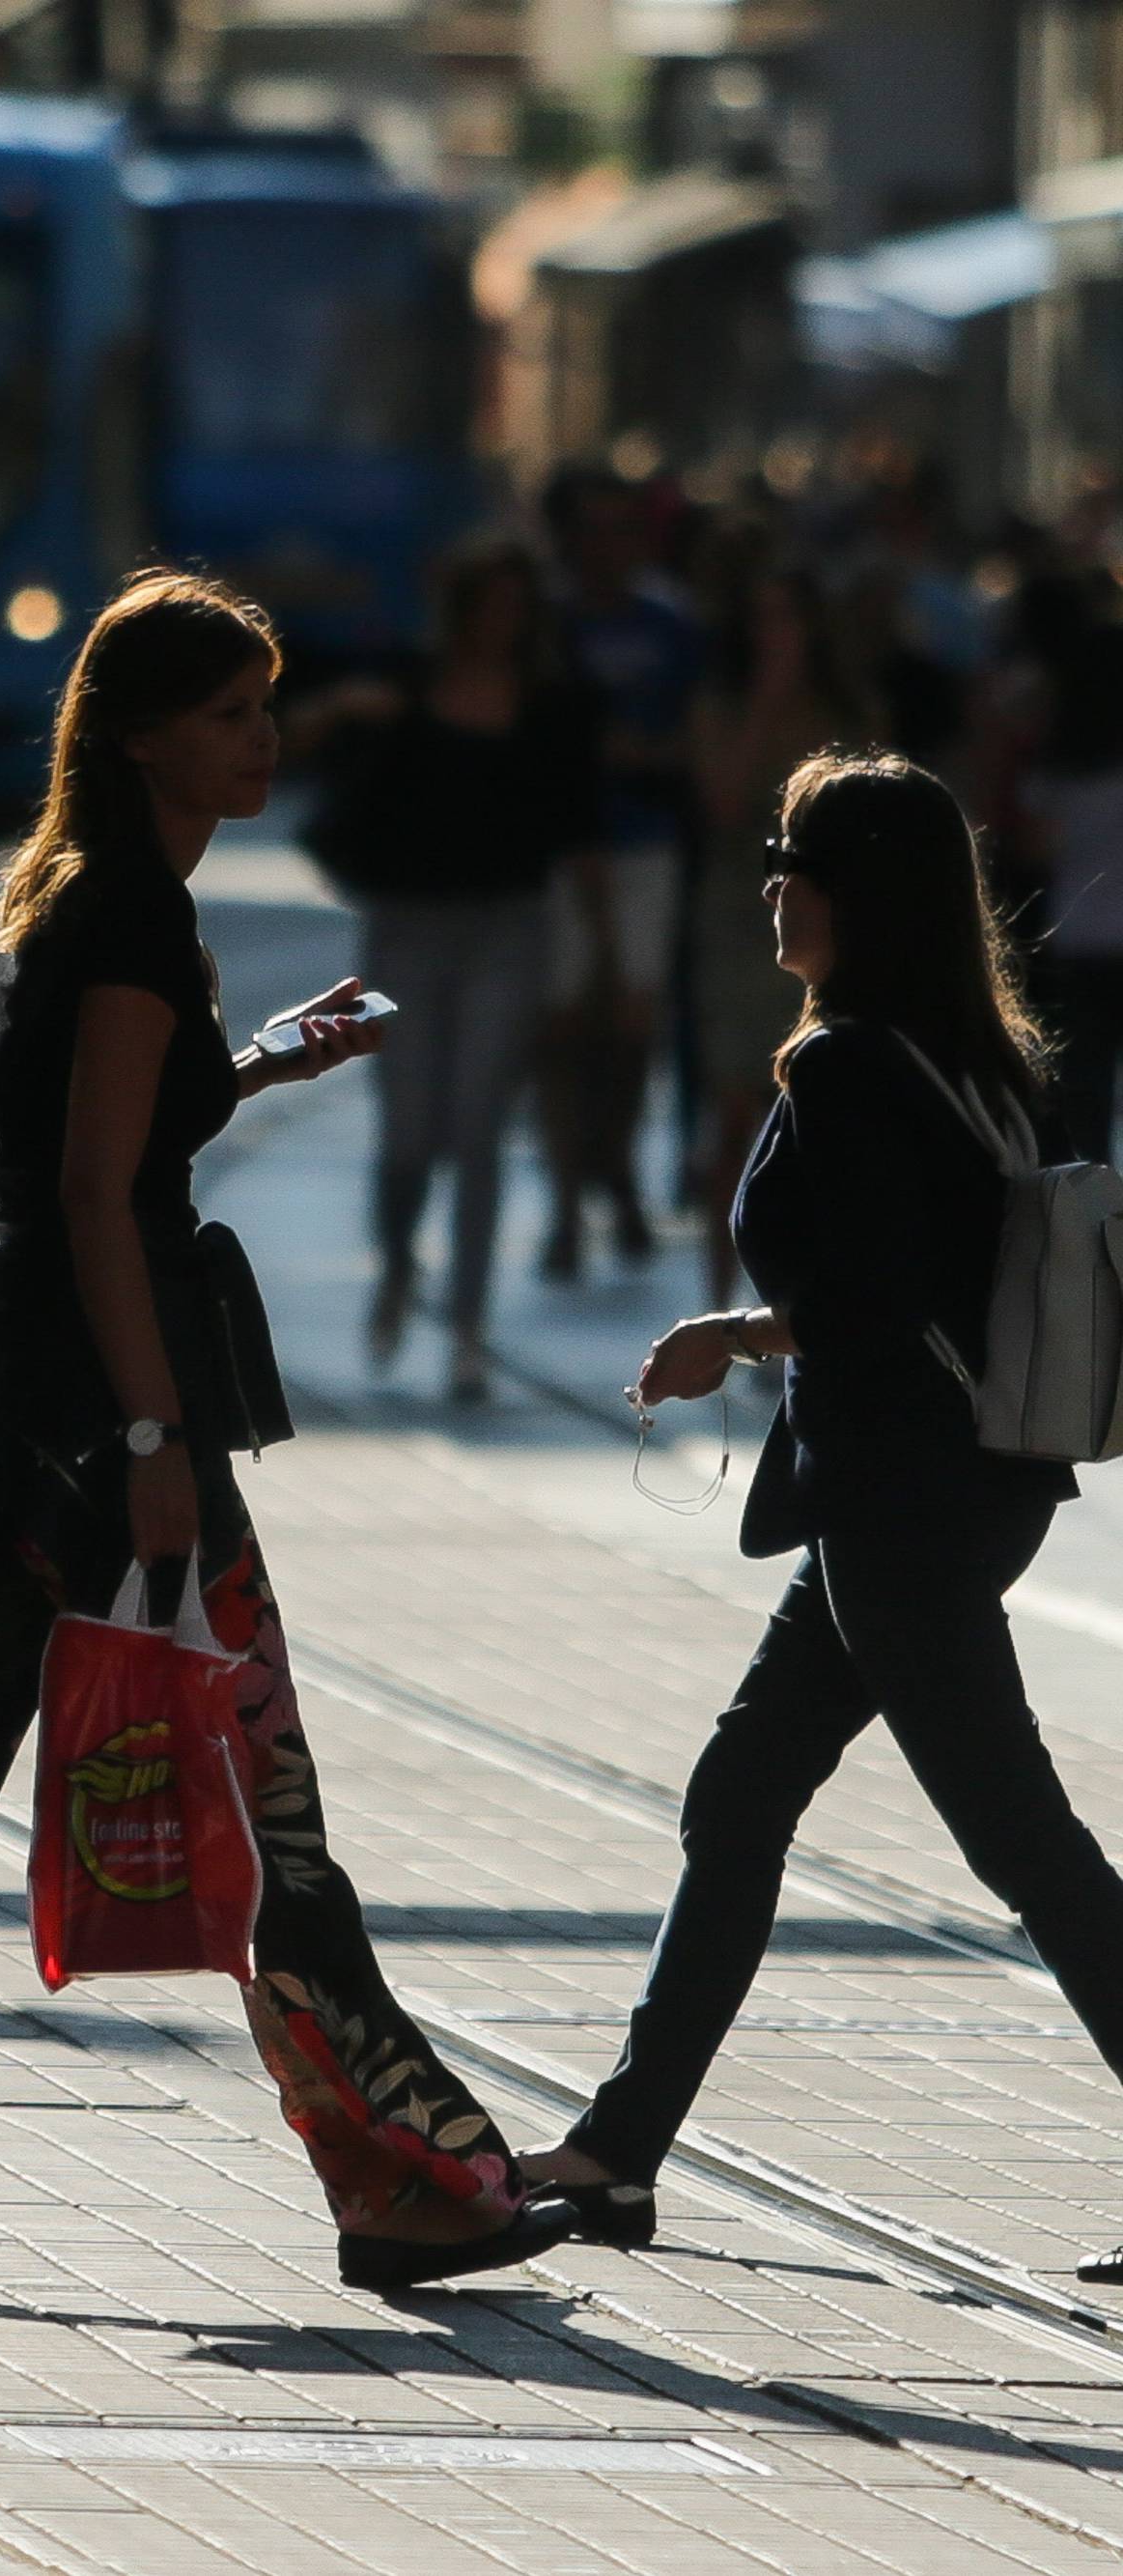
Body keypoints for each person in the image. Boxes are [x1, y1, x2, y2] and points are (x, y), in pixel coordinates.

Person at [0, 571, 577, 2292]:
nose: (263, 736)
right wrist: (152, 1430)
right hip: (103, 1429)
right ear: (142, 731)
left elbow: (122, 1133)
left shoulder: (87, 896)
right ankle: (411, 2183)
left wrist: (273, 1056)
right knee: (245, 1799)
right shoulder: (132, 916)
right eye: (228, 712)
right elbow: (87, 1192)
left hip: (26, 1423)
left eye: (267, 704)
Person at [519, 750, 1123, 2287]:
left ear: (860, 893)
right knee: (741, 1793)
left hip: (899, 1506)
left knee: (1028, 1845)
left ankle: (613, 2148)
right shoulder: (977, 1056)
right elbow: (915, 1285)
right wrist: (746, 1332)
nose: (770, 885)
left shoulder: (849, 1068)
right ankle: (617, 2151)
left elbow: (863, 1300)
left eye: (794, 860)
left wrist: (744, 1325)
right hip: (954, 1489)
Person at [294, 539, 606, 1402]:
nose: (503, 622)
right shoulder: (404, 679)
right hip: (406, 928)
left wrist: (604, 949)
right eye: (490, 604)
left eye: (517, 605)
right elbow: (304, 743)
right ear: (465, 610)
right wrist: (347, 710)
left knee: (478, 1131)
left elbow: (579, 831)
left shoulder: (549, 705)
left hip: (510, 927)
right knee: (407, 1133)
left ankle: (467, 1329)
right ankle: (397, 1264)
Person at [543, 470, 704, 1281]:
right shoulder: (549, 624)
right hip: (561, 848)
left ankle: (619, 1169)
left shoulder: (670, 625)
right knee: (565, 1028)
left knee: (634, 1025)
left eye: (620, 529)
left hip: (645, 842)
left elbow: (698, 734)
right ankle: (570, 1200)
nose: (605, 547)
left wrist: (645, 757)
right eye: (592, 528)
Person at [691, 567, 861, 1306]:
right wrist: (764, 699)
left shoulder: (849, 708)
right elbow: (724, 799)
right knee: (733, 1112)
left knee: (817, 1108)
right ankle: (723, 1288)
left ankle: (796, 1296)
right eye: (760, 620)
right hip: (738, 917)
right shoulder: (717, 705)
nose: (774, 635)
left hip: (831, 925)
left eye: (786, 619)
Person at [1017, 620, 1123, 1163]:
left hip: (1078, 937)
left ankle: (1097, 1223)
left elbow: (1035, 846)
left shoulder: (1060, 758)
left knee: (1086, 1096)